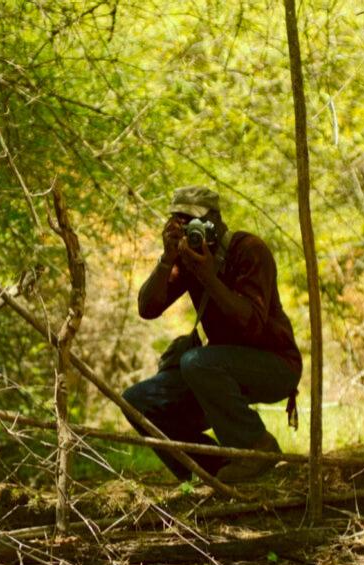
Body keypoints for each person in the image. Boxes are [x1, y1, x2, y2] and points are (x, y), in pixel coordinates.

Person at [122, 186, 302, 483]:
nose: (190, 230)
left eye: (194, 221)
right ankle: (213, 469)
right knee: (136, 400)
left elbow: (252, 323)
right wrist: (167, 258)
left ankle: (256, 447)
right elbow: (147, 308)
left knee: (196, 361)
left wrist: (208, 276)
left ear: (216, 220)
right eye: (180, 222)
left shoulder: (249, 250)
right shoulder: (188, 257)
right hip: (217, 370)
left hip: (275, 365)